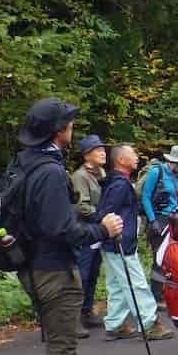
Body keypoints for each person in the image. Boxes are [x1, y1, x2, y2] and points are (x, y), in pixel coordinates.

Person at [14, 98, 123, 355]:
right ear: (60, 131)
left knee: (65, 341)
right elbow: (62, 229)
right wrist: (102, 231)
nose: (72, 128)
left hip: (36, 265)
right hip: (51, 269)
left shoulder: (28, 162)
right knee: (61, 346)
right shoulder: (48, 172)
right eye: (69, 124)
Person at [97, 144, 175, 342]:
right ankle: (149, 323)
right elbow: (106, 213)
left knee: (116, 284)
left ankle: (115, 324)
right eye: (132, 154)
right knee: (136, 282)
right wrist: (115, 233)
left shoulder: (116, 182)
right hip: (120, 242)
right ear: (121, 160)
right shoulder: (120, 185)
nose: (137, 157)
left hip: (113, 242)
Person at [140, 144, 178, 307]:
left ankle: (164, 293)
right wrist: (152, 220)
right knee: (159, 258)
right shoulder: (156, 172)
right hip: (159, 220)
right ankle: (156, 297)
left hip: (172, 221)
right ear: (176, 161)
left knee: (170, 258)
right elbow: (145, 197)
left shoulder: (175, 175)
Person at [70, 134, 107, 335]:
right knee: (82, 274)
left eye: (103, 149)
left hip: (97, 232)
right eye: (98, 150)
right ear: (86, 156)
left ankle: (87, 312)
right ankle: (74, 319)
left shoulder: (100, 174)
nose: (103, 152)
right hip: (85, 231)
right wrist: (102, 215)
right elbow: (80, 206)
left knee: (93, 272)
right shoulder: (80, 176)